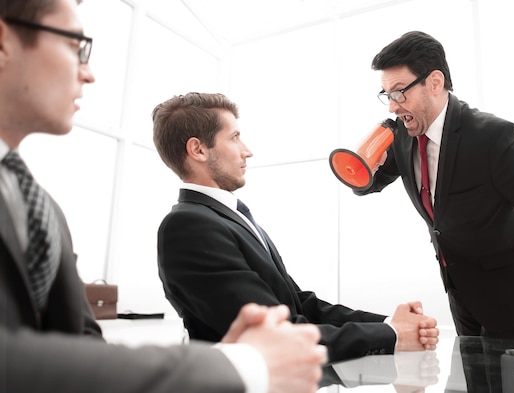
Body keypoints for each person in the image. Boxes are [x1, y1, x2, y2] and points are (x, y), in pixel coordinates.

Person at [0, 1, 326, 392]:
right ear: (4, 41)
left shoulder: (43, 208)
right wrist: (243, 363)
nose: (89, 74)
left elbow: (83, 344)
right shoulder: (188, 225)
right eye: (77, 46)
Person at [353, 30, 514, 349]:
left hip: (511, 291)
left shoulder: (491, 138)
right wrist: (361, 170)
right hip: (460, 289)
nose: (392, 107)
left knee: (513, 382)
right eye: (387, 94)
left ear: (434, 82)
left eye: (400, 92)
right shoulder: (404, 135)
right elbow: (370, 182)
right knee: (472, 376)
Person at [152, 92, 440, 363]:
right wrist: (393, 335)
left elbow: (298, 305)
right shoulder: (187, 227)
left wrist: (390, 322)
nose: (247, 151)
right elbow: (273, 336)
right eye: (235, 137)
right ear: (198, 149)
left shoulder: (231, 217)